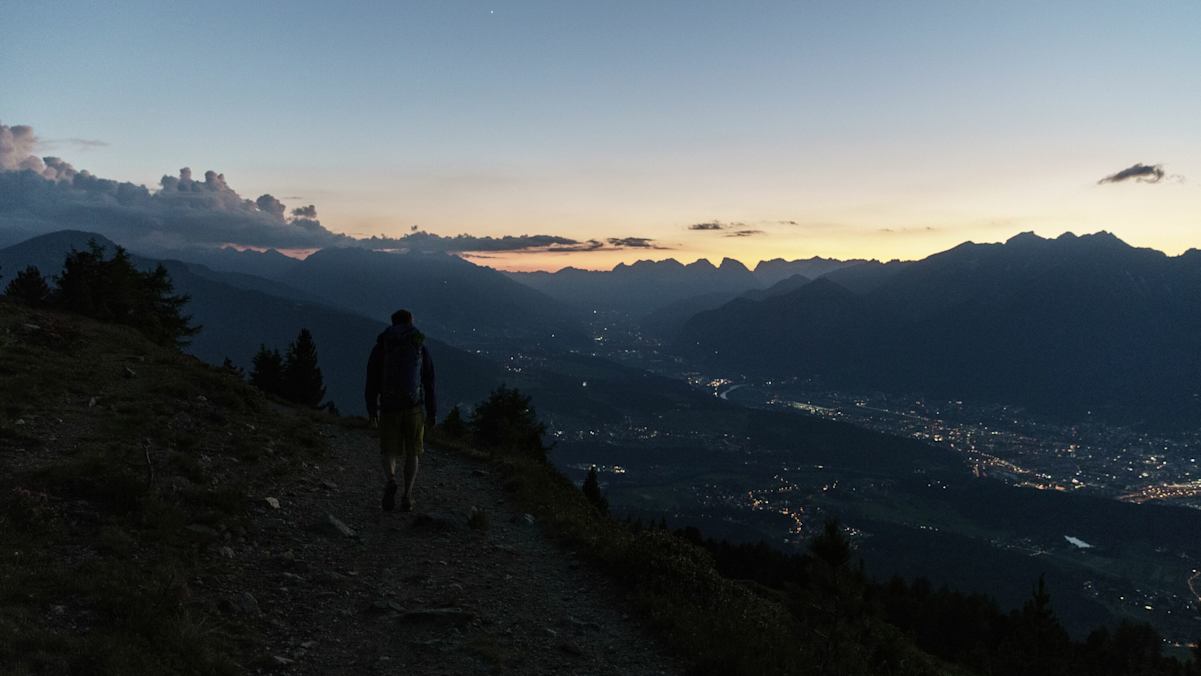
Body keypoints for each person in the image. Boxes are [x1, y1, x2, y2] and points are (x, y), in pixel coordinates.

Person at [365, 309, 436, 512]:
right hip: (414, 408)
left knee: (389, 451)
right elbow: (429, 380)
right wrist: (432, 411)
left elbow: (371, 379)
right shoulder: (418, 344)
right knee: (413, 453)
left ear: (393, 322)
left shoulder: (382, 346)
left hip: (388, 407)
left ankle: (391, 480)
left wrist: (372, 409)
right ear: (410, 321)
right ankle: (407, 495)